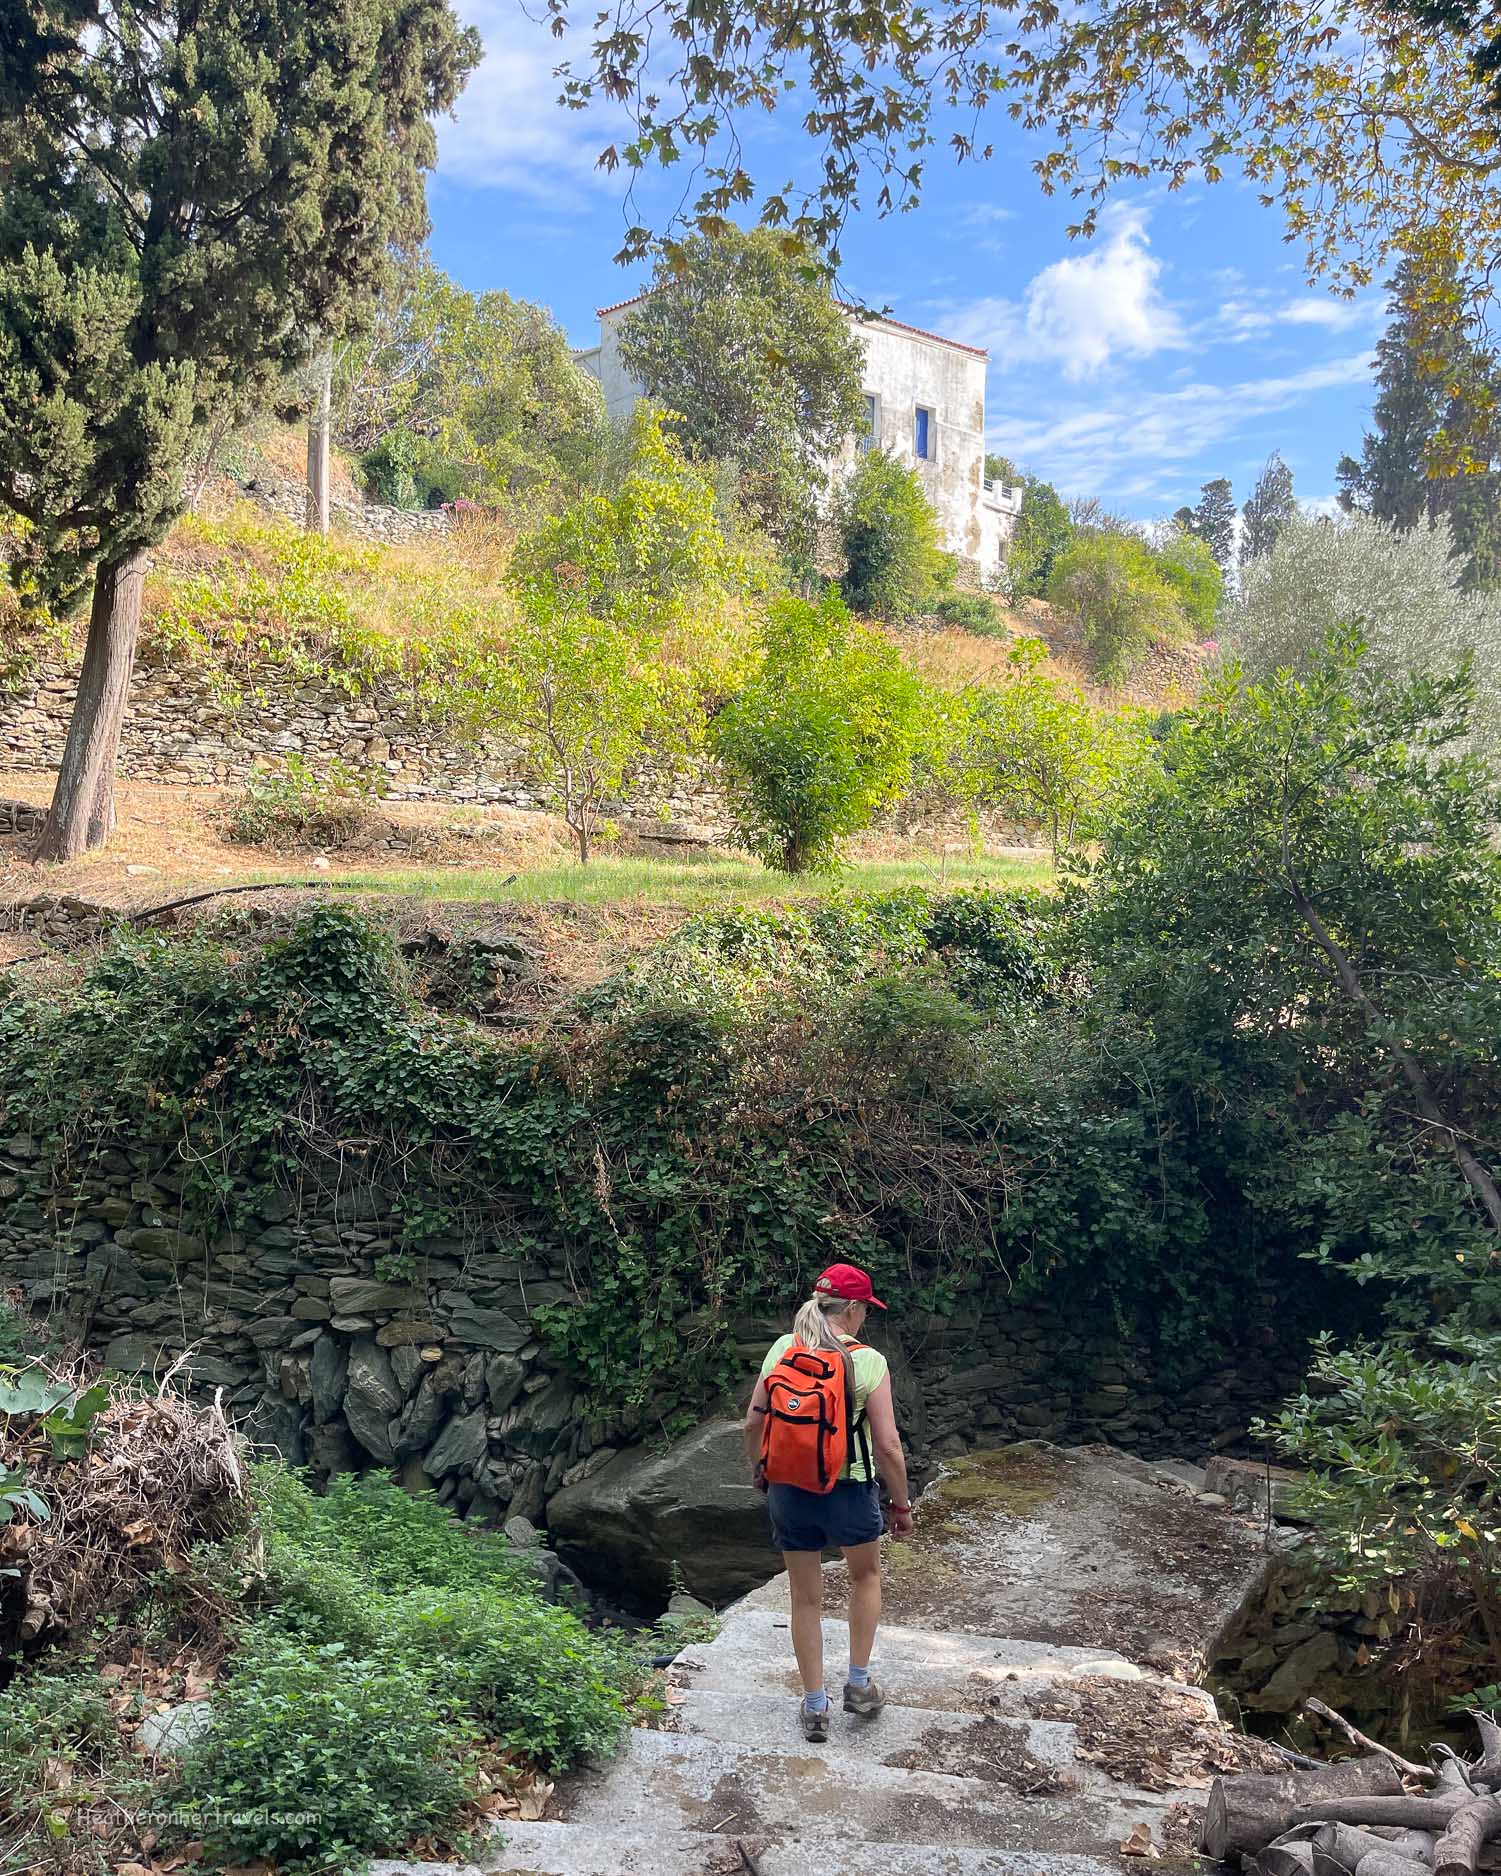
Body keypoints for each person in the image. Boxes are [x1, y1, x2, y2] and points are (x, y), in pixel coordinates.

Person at [743, 1262, 915, 1743]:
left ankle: (815, 1706)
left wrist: (761, 1468)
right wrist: (900, 1504)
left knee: (805, 1597)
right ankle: (859, 1686)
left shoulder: (784, 1348)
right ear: (855, 1308)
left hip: (790, 1491)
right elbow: (888, 1446)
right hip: (850, 1492)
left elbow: (752, 1423)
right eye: (865, 1310)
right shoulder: (869, 1362)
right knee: (865, 1577)